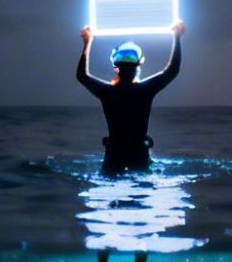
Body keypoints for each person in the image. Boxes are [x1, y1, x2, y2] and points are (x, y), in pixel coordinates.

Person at [78, 20, 183, 174]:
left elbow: (82, 76)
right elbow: (172, 70)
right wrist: (177, 37)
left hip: (114, 156)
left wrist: (87, 42)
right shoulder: (144, 91)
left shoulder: (108, 92)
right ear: (139, 66)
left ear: (116, 67)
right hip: (139, 154)